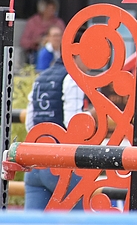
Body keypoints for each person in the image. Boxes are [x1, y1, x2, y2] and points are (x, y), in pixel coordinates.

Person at [24, 34, 87, 211]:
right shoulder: (72, 78)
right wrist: (93, 115)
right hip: (62, 166)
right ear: (76, 54)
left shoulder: (41, 77)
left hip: (36, 164)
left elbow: (31, 123)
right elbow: (74, 126)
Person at [19, 0, 65, 66]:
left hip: (56, 52)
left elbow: (65, 40)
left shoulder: (58, 23)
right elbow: (23, 42)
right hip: (35, 52)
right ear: (42, 9)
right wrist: (35, 41)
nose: (52, 12)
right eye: (49, 9)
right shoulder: (33, 22)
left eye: (53, 9)